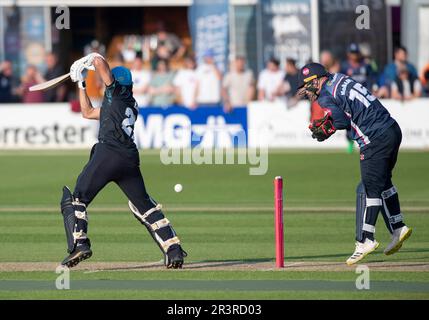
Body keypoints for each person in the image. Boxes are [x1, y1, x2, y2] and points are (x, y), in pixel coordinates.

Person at [60, 52, 187, 269]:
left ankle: (79, 244)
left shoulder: (116, 93)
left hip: (108, 154)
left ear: (115, 83)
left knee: (75, 199)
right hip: (129, 160)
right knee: (144, 206)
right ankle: (174, 251)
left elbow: (100, 63)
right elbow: (88, 112)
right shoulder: (128, 104)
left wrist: (89, 59)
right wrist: (81, 84)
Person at [297, 62, 413, 265]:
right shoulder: (339, 77)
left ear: (315, 81)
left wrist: (328, 128)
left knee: (370, 189)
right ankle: (398, 227)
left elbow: (341, 120)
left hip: (374, 138)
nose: (306, 92)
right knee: (383, 181)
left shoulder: (325, 95)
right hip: (392, 130)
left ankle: (365, 239)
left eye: (307, 86)